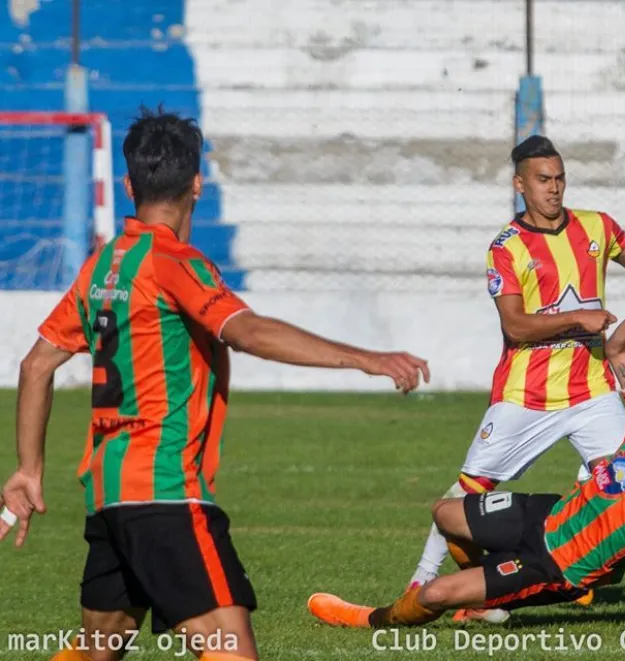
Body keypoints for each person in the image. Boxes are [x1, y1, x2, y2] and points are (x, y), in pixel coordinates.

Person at [0, 108, 430, 661]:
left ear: (129, 185)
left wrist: (29, 470)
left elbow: (36, 365)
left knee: (95, 650)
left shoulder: (102, 267)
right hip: (164, 493)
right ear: (197, 184)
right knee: (232, 650)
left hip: (108, 493)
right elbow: (246, 331)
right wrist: (365, 358)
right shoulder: (175, 262)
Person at [397, 135, 625, 623]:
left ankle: (570, 580)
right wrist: (577, 318)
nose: (555, 188)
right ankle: (423, 581)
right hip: (526, 395)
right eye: (543, 180)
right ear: (520, 185)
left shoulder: (596, 227)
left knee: (623, 490)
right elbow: (516, 326)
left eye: (560, 178)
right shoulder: (506, 247)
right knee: (465, 493)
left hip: (592, 393)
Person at [309, 296, 625, 634]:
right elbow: (619, 348)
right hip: (549, 514)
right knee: (445, 513)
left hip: (558, 565)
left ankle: (370, 619)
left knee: (435, 595)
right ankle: (484, 600)